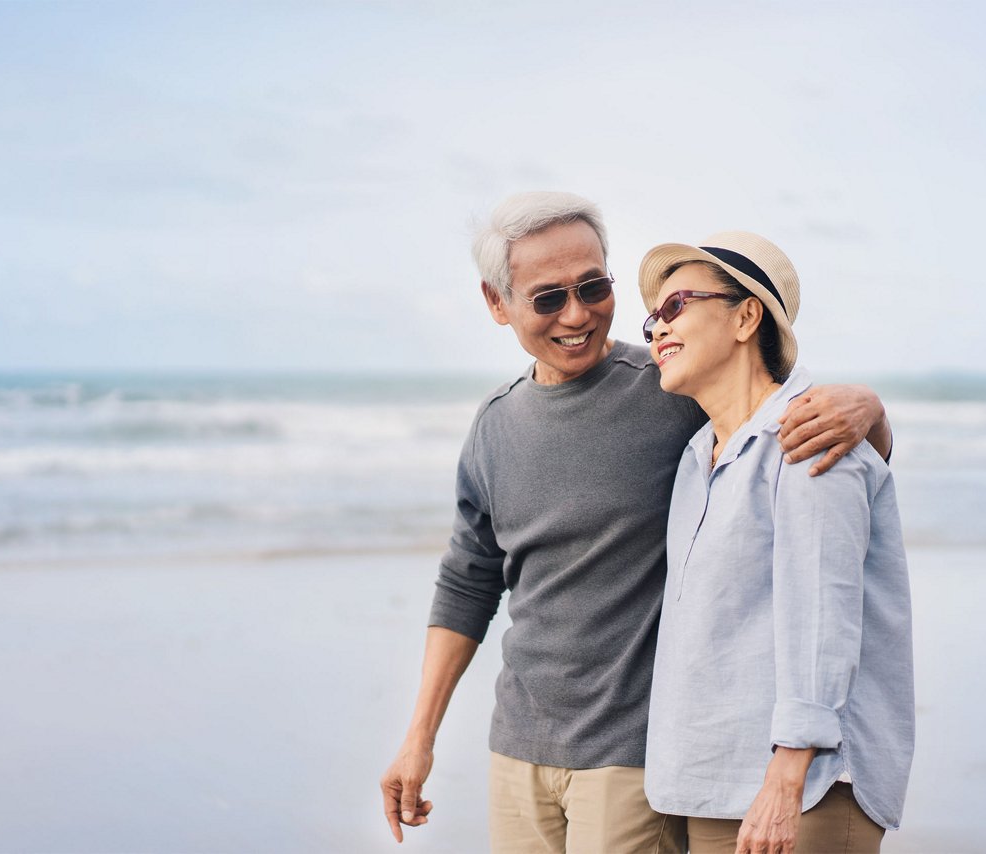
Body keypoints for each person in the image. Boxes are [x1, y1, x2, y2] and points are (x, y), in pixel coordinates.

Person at [379, 193, 895, 853]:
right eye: (547, 298)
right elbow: (469, 580)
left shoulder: (670, 390)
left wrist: (871, 412)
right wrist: (418, 740)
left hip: (634, 757)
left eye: (593, 287)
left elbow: (783, 422)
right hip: (516, 750)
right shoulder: (494, 426)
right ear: (497, 303)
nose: (577, 314)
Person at [638, 231, 914, 854]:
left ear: (745, 315)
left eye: (676, 305)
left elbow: (823, 616)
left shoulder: (813, 434)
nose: (657, 328)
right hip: (712, 787)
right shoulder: (695, 456)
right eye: (652, 316)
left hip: (800, 792)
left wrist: (786, 781)